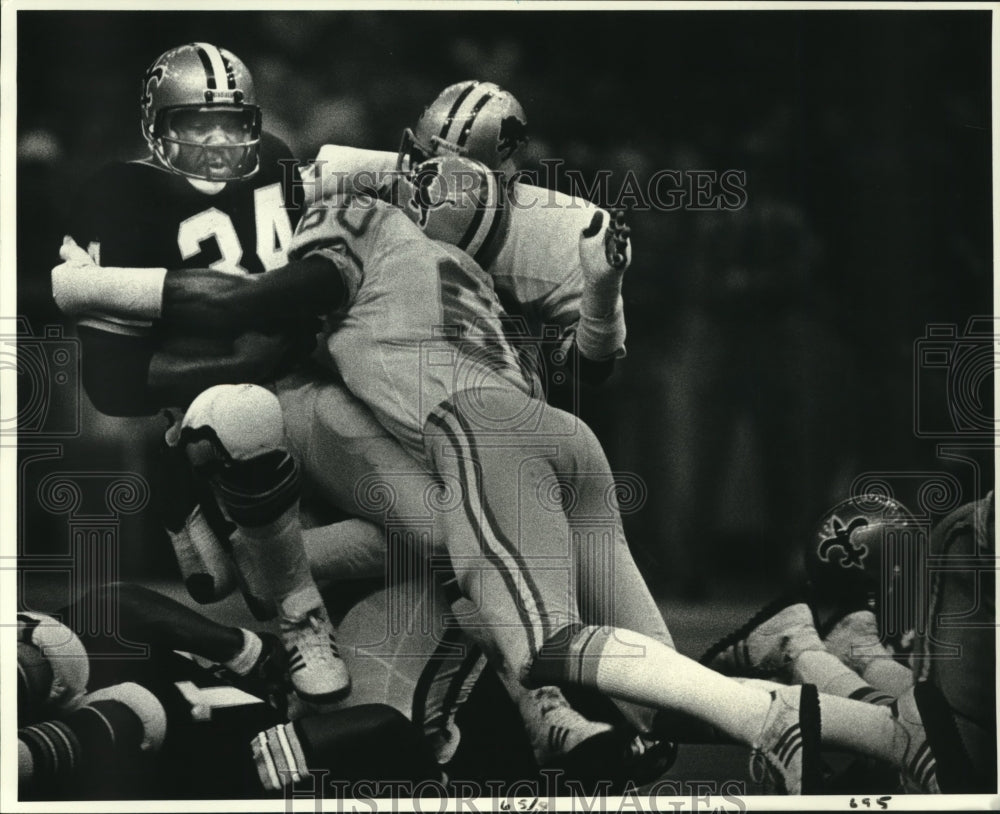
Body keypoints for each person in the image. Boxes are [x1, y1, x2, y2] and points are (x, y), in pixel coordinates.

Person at [50, 42, 347, 704]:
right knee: (233, 570)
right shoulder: (120, 194)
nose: (218, 139)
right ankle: (184, 478)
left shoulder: (274, 158)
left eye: (231, 121)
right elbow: (113, 382)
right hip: (212, 401)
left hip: (304, 385)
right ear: (157, 125)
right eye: (195, 123)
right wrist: (250, 357)